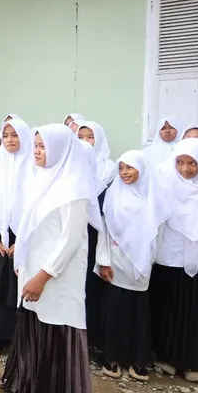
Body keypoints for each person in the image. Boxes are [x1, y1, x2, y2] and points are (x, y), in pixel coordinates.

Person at [2, 123, 98, 393]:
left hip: (56, 277)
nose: (37, 151)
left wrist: (43, 276)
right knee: (36, 325)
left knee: (57, 326)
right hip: (34, 273)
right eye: (36, 146)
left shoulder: (74, 189)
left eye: (43, 147)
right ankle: (30, 384)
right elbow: (29, 227)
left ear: (60, 150)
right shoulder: (41, 179)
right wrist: (23, 263)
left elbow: (70, 240)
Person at [150, 138, 198, 383]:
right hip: (169, 257)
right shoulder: (165, 184)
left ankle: (192, 363)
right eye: (180, 162)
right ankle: (166, 357)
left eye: (192, 163)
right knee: (168, 308)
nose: (185, 169)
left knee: (195, 311)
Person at [95, 150, 170, 381]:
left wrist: (149, 259)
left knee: (138, 312)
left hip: (141, 264)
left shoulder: (154, 196)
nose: (124, 173)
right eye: (121, 168)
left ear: (142, 168)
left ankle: (138, 359)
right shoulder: (113, 193)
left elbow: (158, 232)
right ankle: (111, 357)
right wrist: (103, 261)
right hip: (116, 261)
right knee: (115, 309)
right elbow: (104, 230)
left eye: (130, 167)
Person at [0, 119, 34, 349]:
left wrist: (21, 240)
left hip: (24, 235)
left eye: (15, 135)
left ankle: (18, 337)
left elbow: (35, 207)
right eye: (6, 136)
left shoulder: (34, 167)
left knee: (17, 285)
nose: (10, 140)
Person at [77, 120, 115, 350]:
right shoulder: (71, 167)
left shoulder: (111, 171)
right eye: (80, 137)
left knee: (93, 285)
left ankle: (92, 339)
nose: (85, 142)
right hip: (75, 234)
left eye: (90, 137)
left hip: (97, 236)